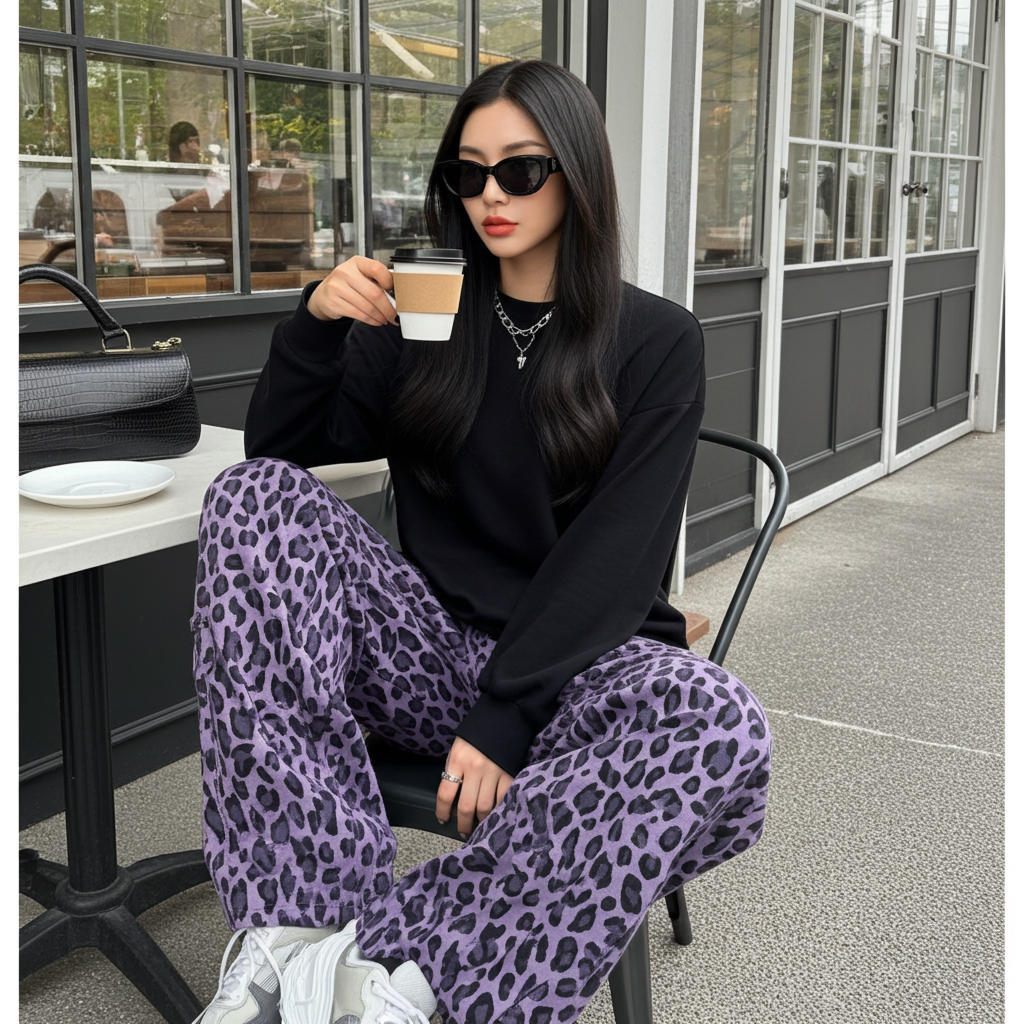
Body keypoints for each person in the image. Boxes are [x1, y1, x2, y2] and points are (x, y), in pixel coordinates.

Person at [191, 58, 771, 1024]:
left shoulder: (656, 338)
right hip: (425, 653)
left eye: (521, 169)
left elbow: (616, 555)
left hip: (574, 673)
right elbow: (283, 451)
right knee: (253, 498)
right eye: (469, 172)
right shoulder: (425, 311)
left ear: (577, 173)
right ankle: (297, 937)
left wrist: (505, 717)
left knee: (718, 722)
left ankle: (384, 970)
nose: (491, 194)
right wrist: (316, 327)